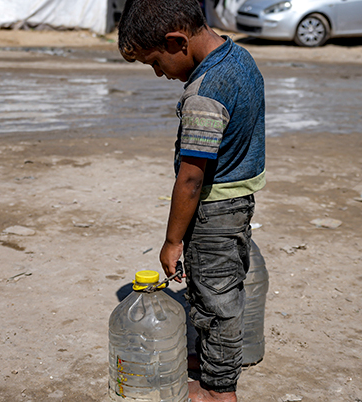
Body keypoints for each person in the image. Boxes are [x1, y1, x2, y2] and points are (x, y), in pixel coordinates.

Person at [117, 1, 265, 401]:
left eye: (156, 62)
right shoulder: (241, 60)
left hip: (214, 210)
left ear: (176, 41)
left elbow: (192, 177)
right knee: (209, 289)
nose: (159, 73)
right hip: (237, 201)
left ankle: (219, 390)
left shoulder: (204, 93)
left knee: (218, 303)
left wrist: (172, 240)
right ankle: (204, 364)